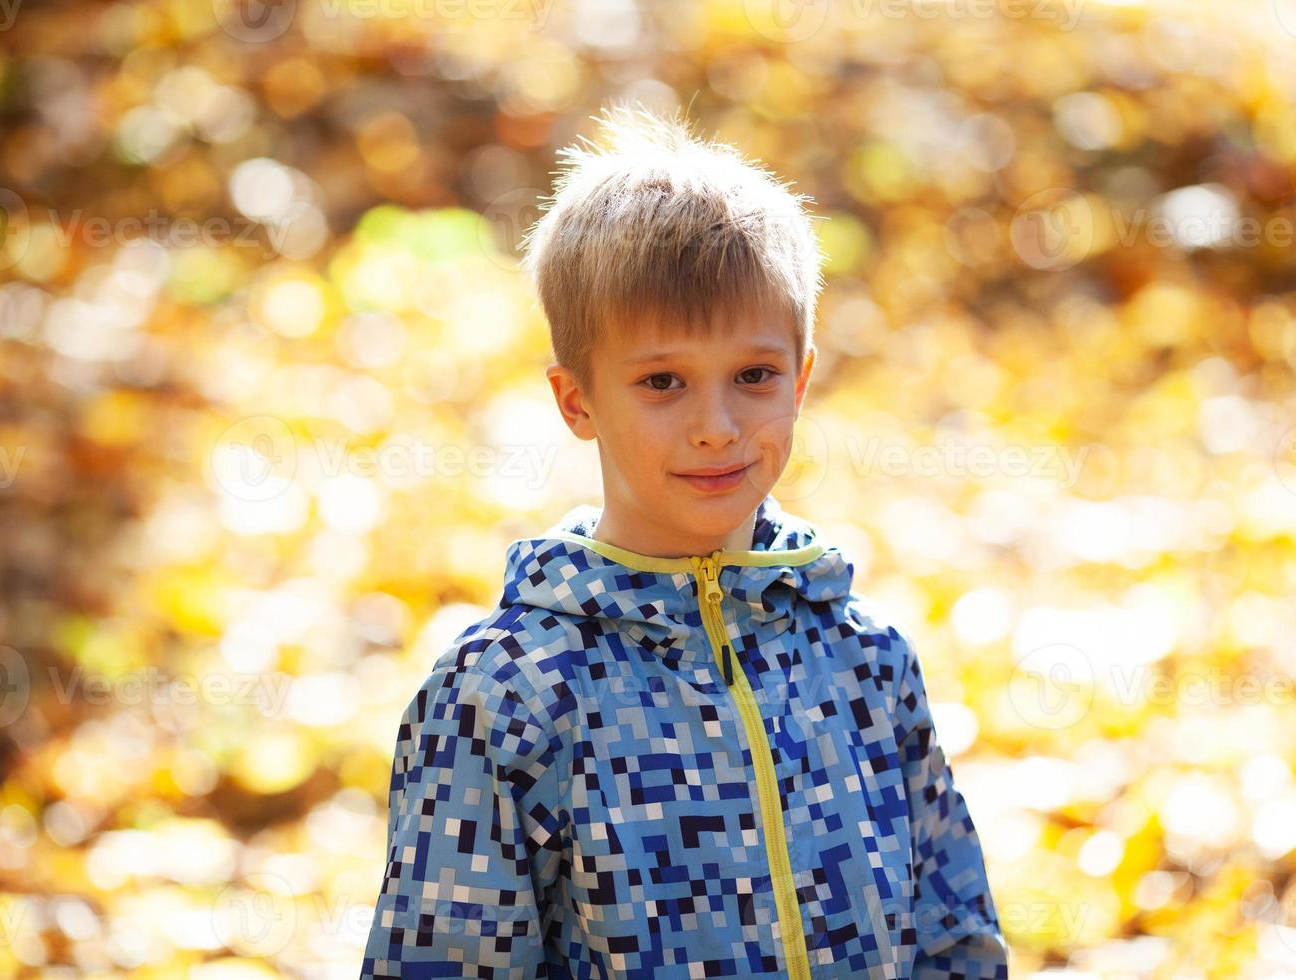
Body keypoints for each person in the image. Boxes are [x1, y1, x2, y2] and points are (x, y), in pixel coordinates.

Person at [360, 103, 1009, 979]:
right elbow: (443, 963)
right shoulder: (507, 696)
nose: (716, 427)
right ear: (577, 400)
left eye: (753, 376)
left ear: (802, 378)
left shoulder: (865, 662)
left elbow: (952, 935)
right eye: (662, 381)